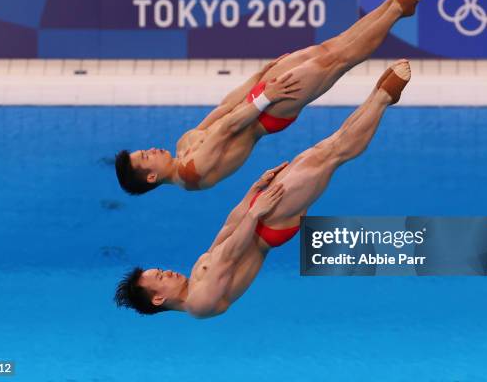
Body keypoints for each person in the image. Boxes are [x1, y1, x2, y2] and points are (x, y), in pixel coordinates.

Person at [114, 60, 412, 318]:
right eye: (162, 278)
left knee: (322, 152)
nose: (168, 272)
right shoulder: (200, 304)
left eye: (161, 271)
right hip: (267, 223)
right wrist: (256, 213)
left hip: (261, 213)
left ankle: (381, 96)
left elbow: (225, 233)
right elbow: (232, 254)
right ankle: (383, 96)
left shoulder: (195, 277)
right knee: (331, 154)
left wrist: (251, 194)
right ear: (158, 298)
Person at [115, 0, 428, 194]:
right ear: (152, 176)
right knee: (340, 61)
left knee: (331, 47)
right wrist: (266, 95)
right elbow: (228, 129)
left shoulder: (183, 143)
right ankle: (398, 10)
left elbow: (224, 109)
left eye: (144, 150)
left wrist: (257, 78)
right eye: (146, 157)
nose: (151, 149)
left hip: (259, 96)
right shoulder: (191, 173)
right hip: (267, 113)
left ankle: (394, 3)